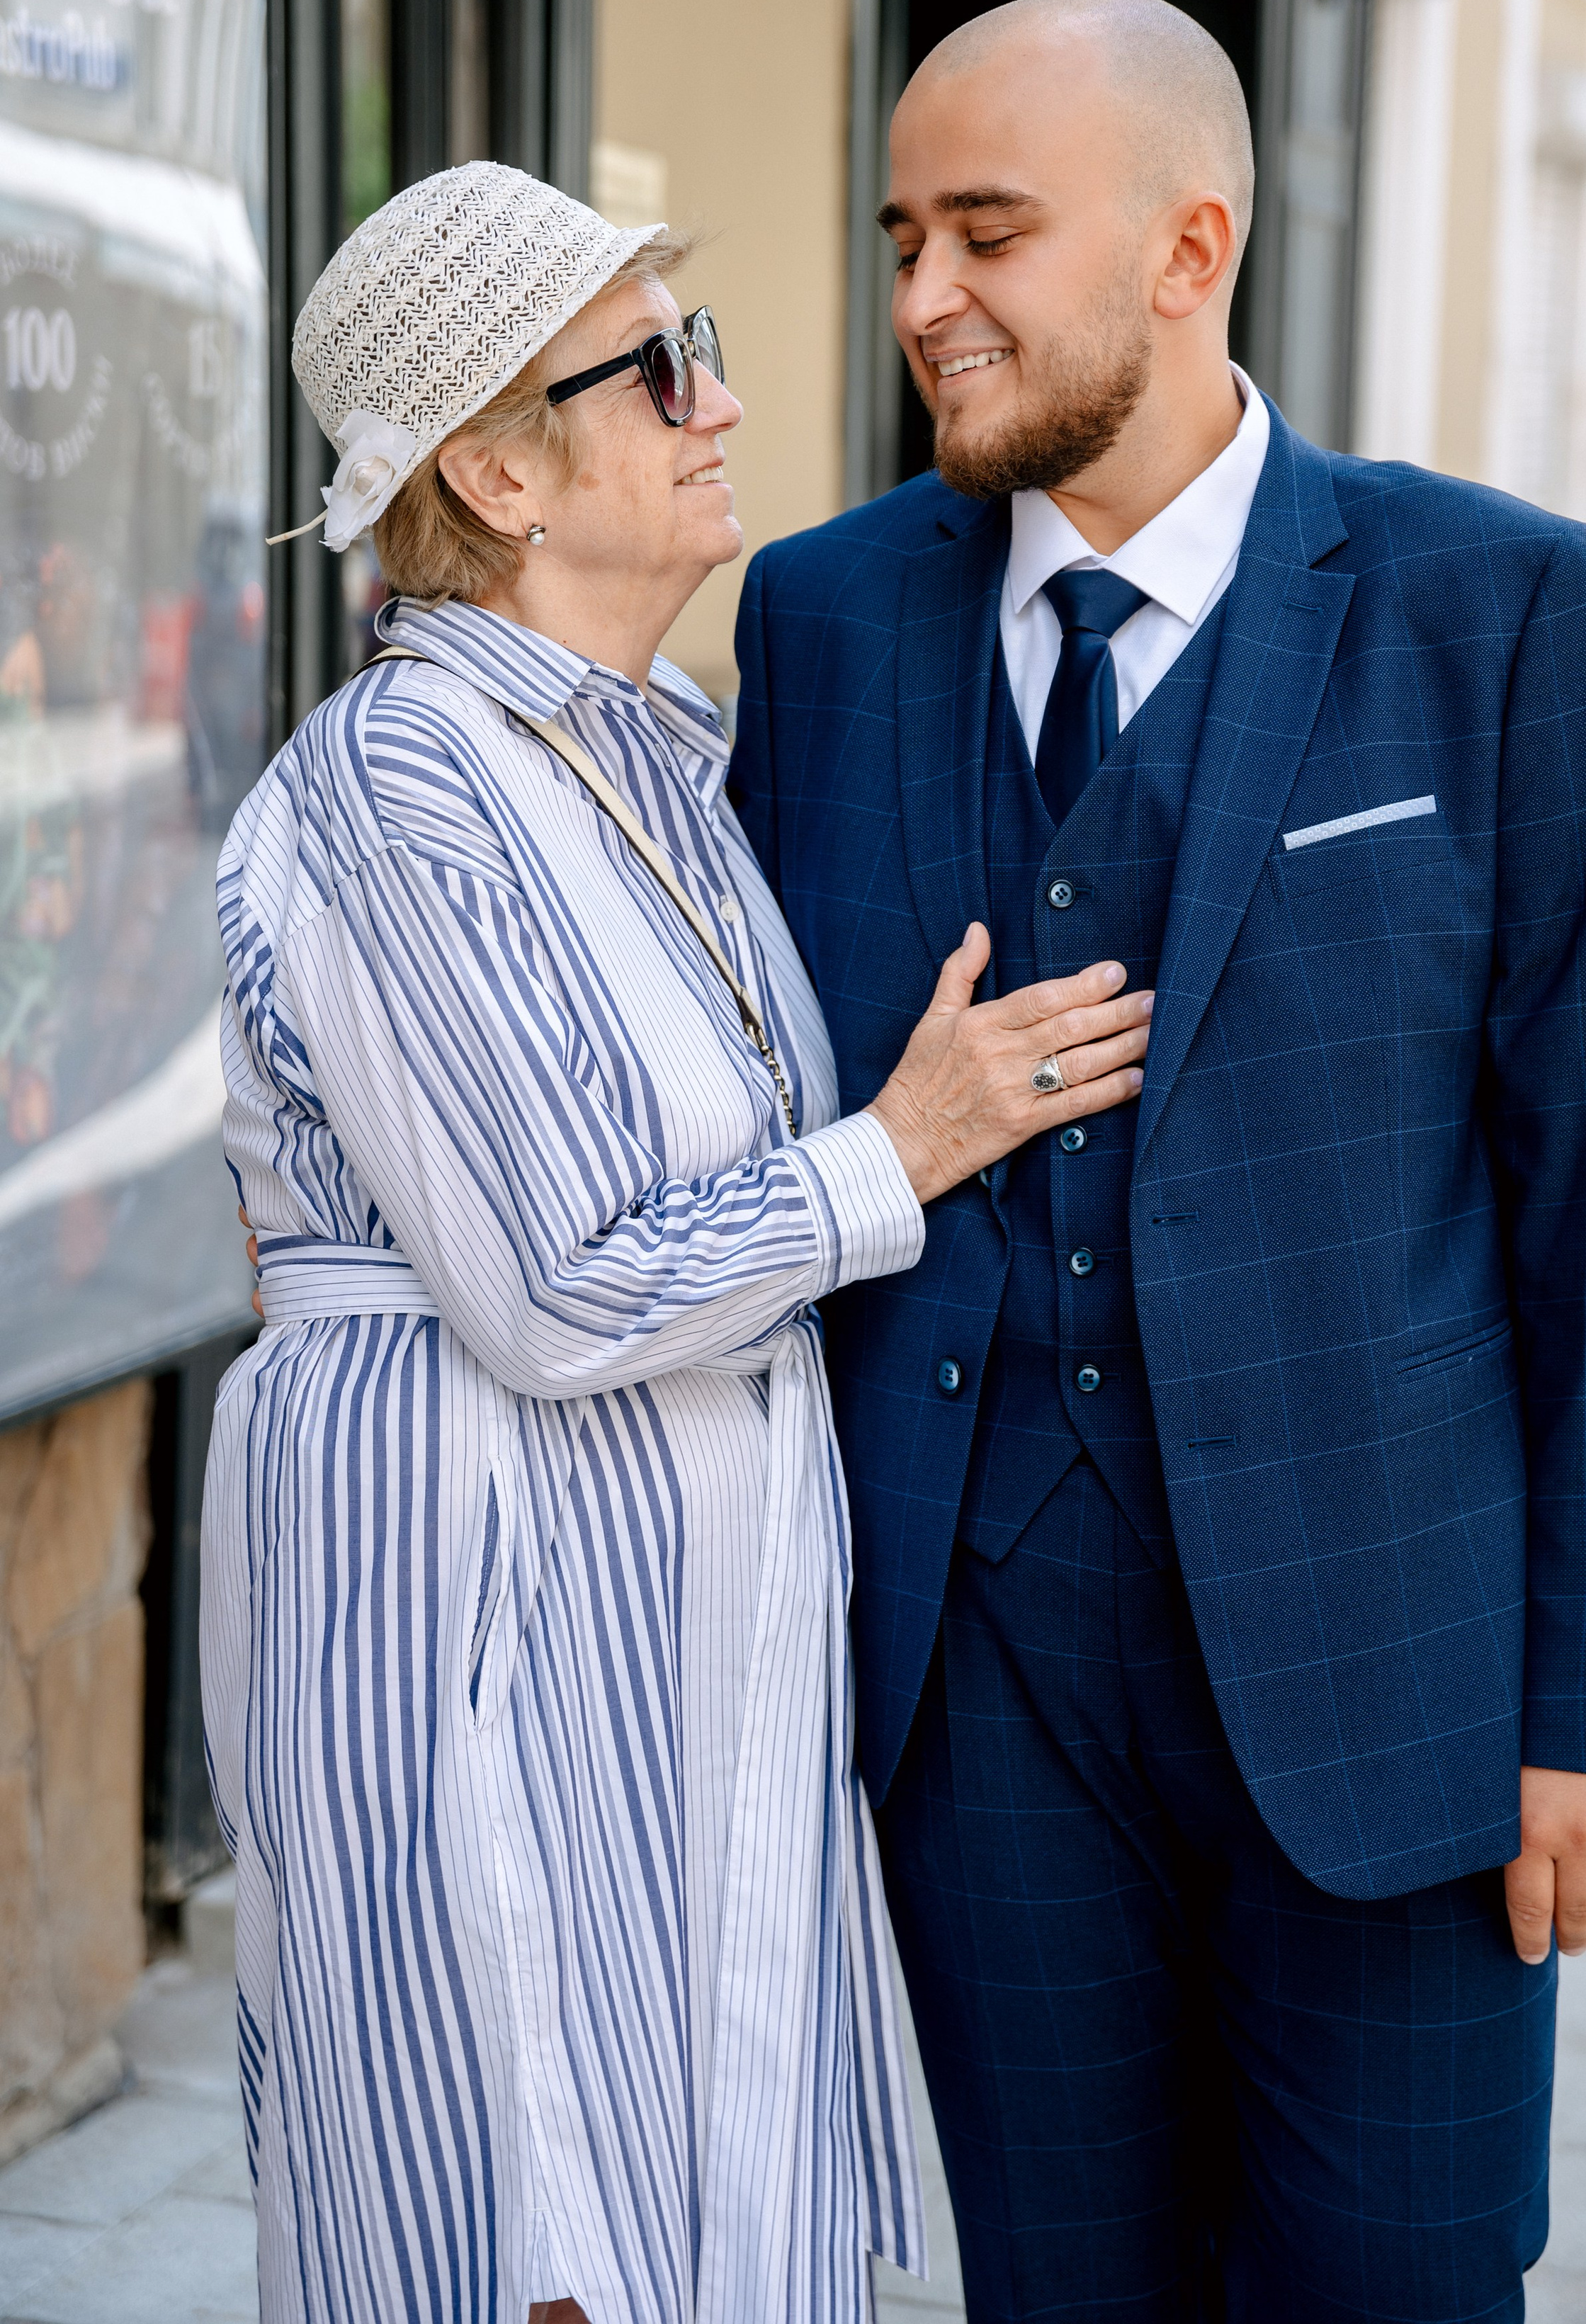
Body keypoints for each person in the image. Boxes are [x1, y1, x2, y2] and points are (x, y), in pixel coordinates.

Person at [727, 0, 1586, 2323]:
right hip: (980, 1690)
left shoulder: (1497, 607)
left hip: (1401, 1688)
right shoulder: (825, 614)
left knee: (1397, 2281)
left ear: (1192, 248)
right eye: (899, 238)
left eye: (985, 233)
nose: (918, 303)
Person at [201, 160, 1153, 2324]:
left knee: (701, 2221)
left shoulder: (665, 768)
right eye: (661, 369)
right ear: (497, 466)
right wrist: (907, 1142)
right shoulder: (401, 782)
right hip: (466, 1621)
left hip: (666, 1649)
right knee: (513, 2231)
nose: (722, 404)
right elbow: (550, 1288)